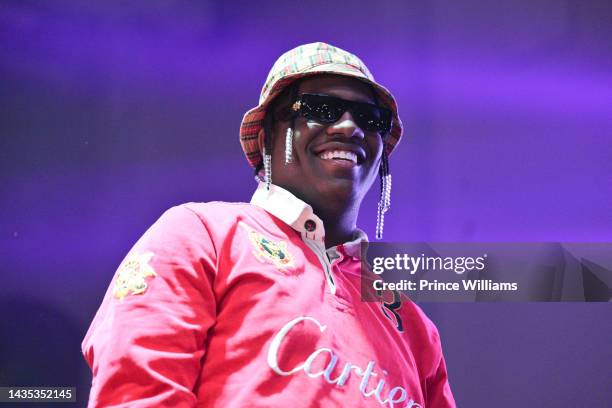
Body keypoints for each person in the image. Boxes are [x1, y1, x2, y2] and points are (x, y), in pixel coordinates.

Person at [82, 42, 456, 408]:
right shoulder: (200, 235)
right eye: (321, 108)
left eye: (369, 118)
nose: (349, 127)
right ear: (266, 139)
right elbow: (137, 392)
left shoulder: (413, 326)